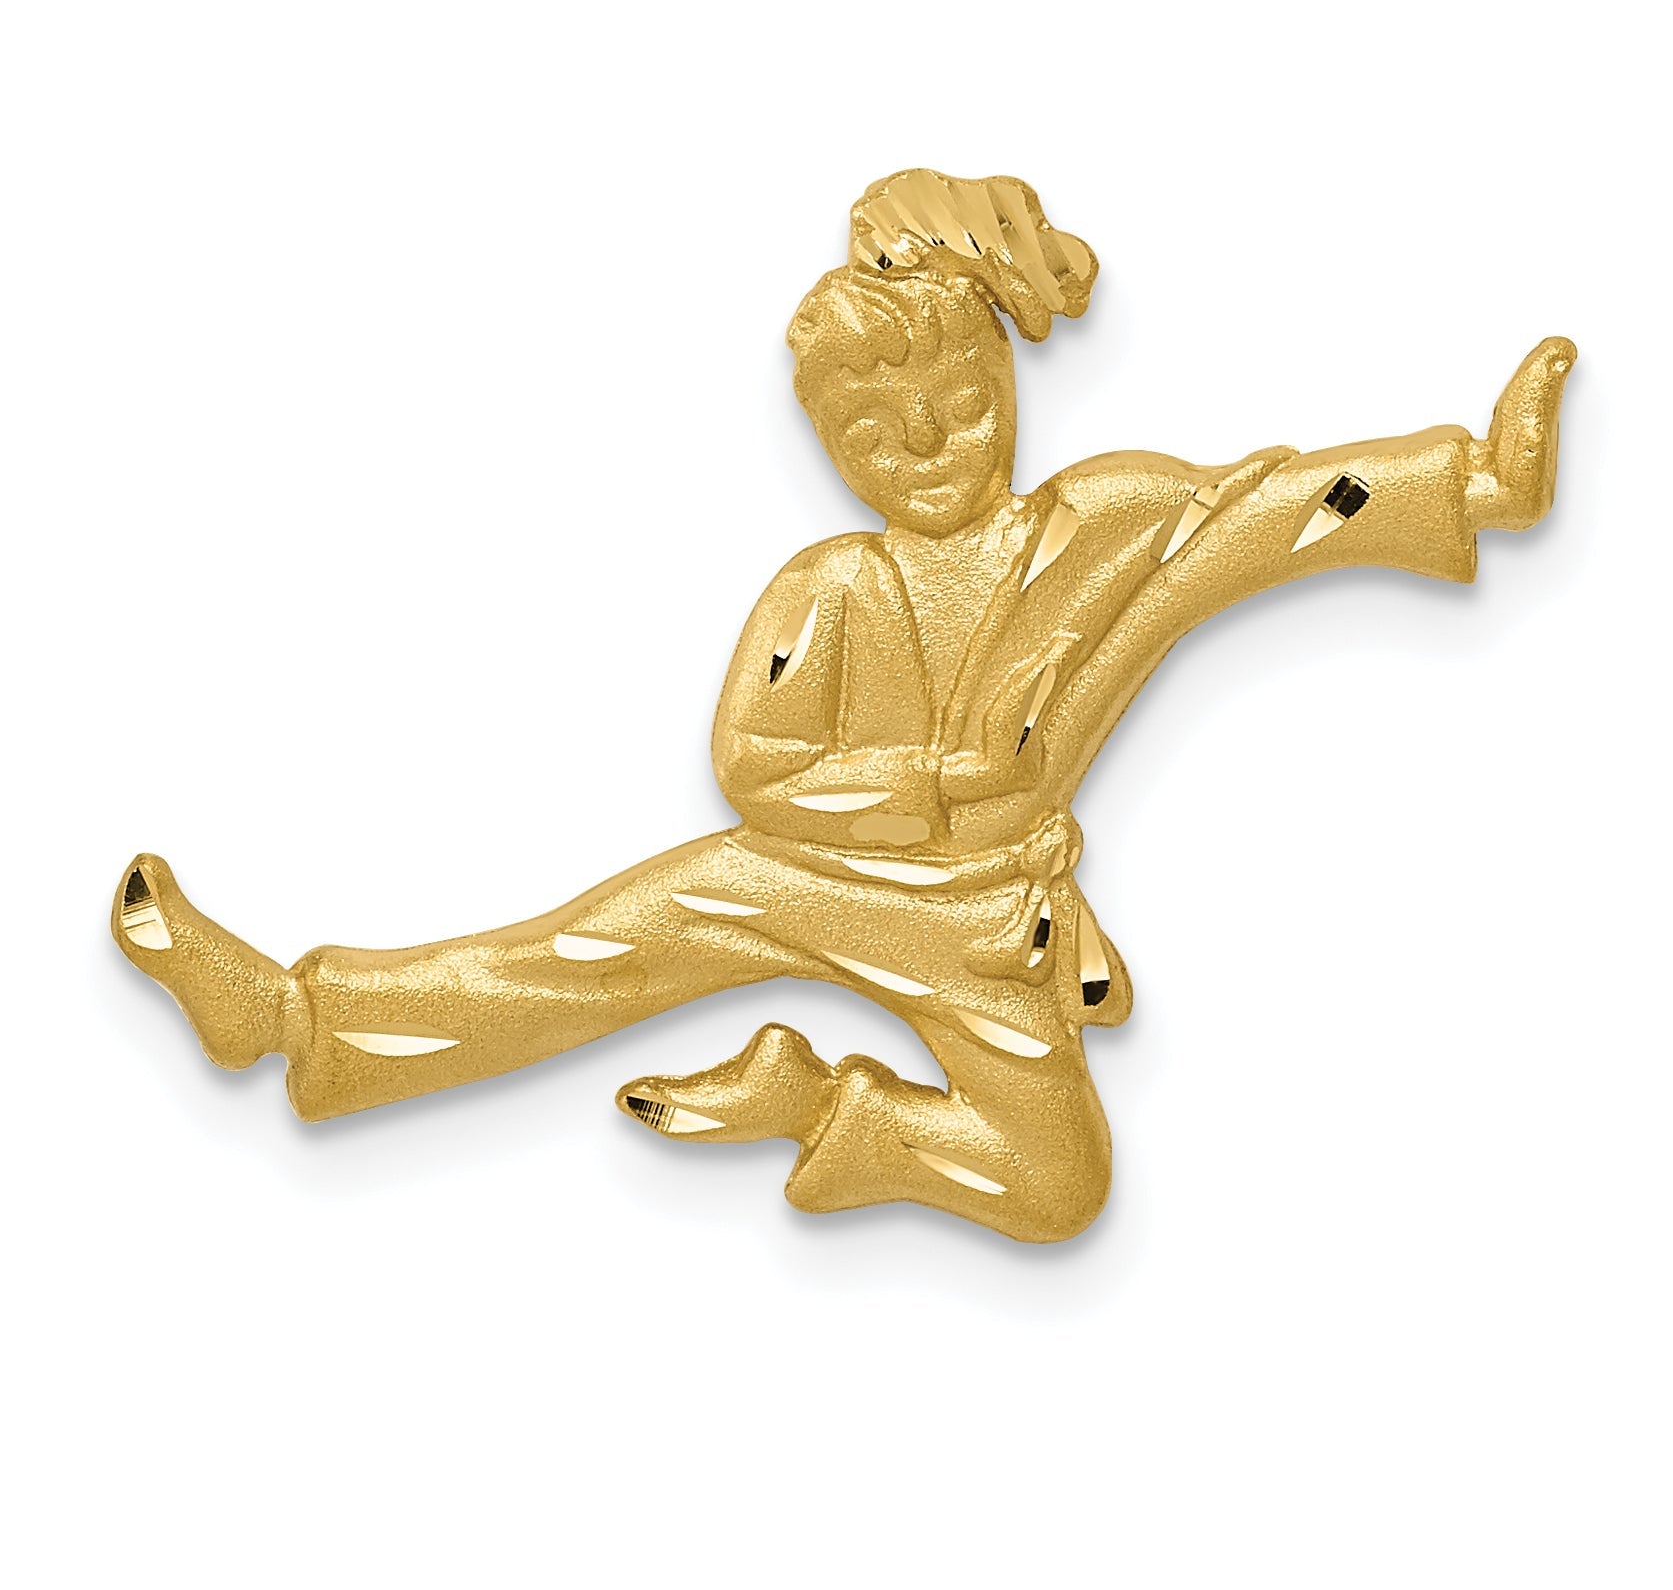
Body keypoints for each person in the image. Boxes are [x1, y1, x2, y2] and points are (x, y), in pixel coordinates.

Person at [113, 168, 1575, 1243]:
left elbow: (1272, 514)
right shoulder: (826, 588)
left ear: (1006, 382)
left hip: (991, 923)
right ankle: (291, 1016)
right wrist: (913, 795)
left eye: (961, 407)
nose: (925, 446)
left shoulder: (1108, 526)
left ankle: (813, 1103)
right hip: (809, 878)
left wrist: (1467, 483)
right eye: (872, 433)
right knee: (587, 949)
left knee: (1060, 1188)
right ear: (825, 441)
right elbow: (751, 764)